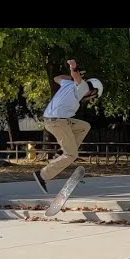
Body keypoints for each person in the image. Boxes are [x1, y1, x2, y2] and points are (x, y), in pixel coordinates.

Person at [33, 59, 103, 194]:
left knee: (84, 126)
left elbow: (56, 78)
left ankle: (63, 151)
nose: (91, 99)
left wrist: (71, 76)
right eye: (94, 96)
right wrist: (74, 68)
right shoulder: (83, 88)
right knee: (72, 154)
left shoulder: (67, 83)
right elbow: (78, 78)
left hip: (55, 121)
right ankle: (43, 175)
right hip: (58, 122)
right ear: (93, 90)